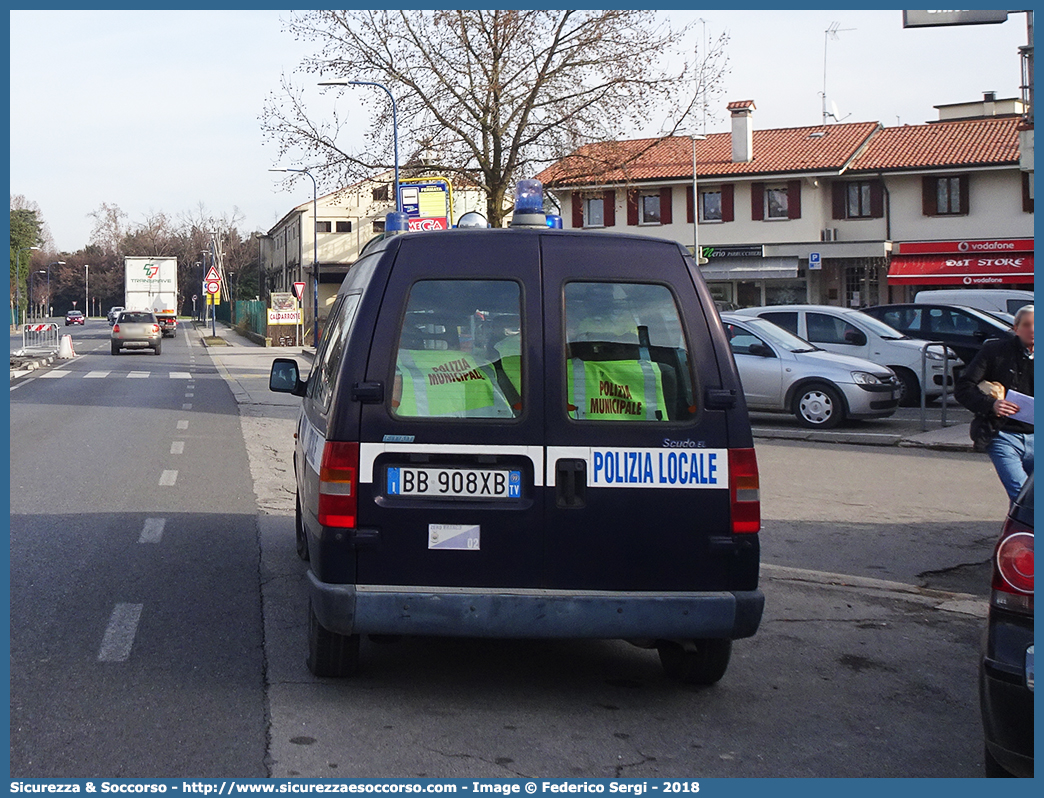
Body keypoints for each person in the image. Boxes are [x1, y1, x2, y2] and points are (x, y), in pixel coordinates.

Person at [955, 305, 1034, 501]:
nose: (1033, 330)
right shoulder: (995, 351)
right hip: (1003, 434)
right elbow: (963, 388)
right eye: (1027, 325)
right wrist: (991, 404)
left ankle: (1017, 530)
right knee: (1022, 495)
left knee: (1029, 499)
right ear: (1016, 329)